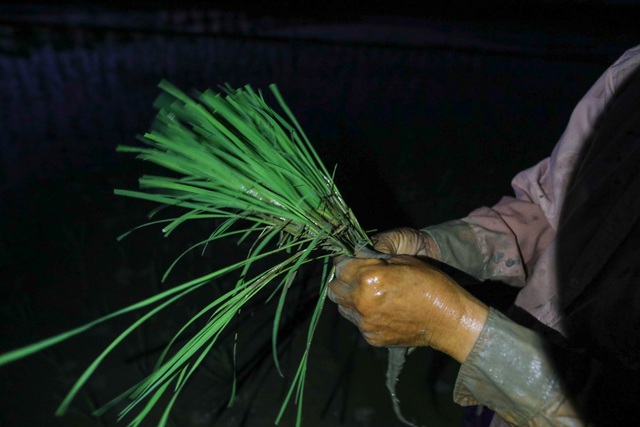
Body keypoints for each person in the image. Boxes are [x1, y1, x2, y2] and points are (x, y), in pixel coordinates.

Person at [328, 44, 640, 426]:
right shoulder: (630, 71)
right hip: (495, 393)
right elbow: (549, 210)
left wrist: (451, 324)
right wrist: (434, 249)